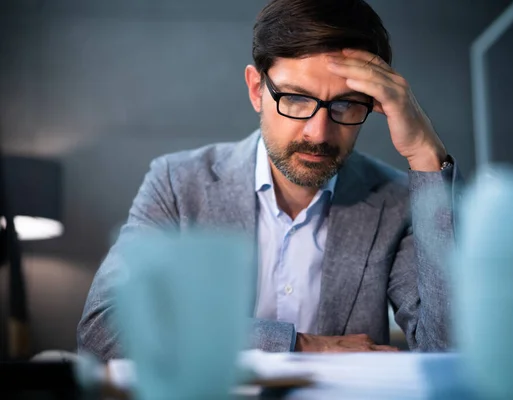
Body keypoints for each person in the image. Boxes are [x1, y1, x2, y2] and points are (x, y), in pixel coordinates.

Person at [78, 0, 459, 361]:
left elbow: (450, 351)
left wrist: (425, 153)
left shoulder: (397, 202)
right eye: (295, 98)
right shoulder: (178, 184)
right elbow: (103, 329)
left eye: (345, 104)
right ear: (257, 89)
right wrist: (300, 345)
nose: (318, 132)